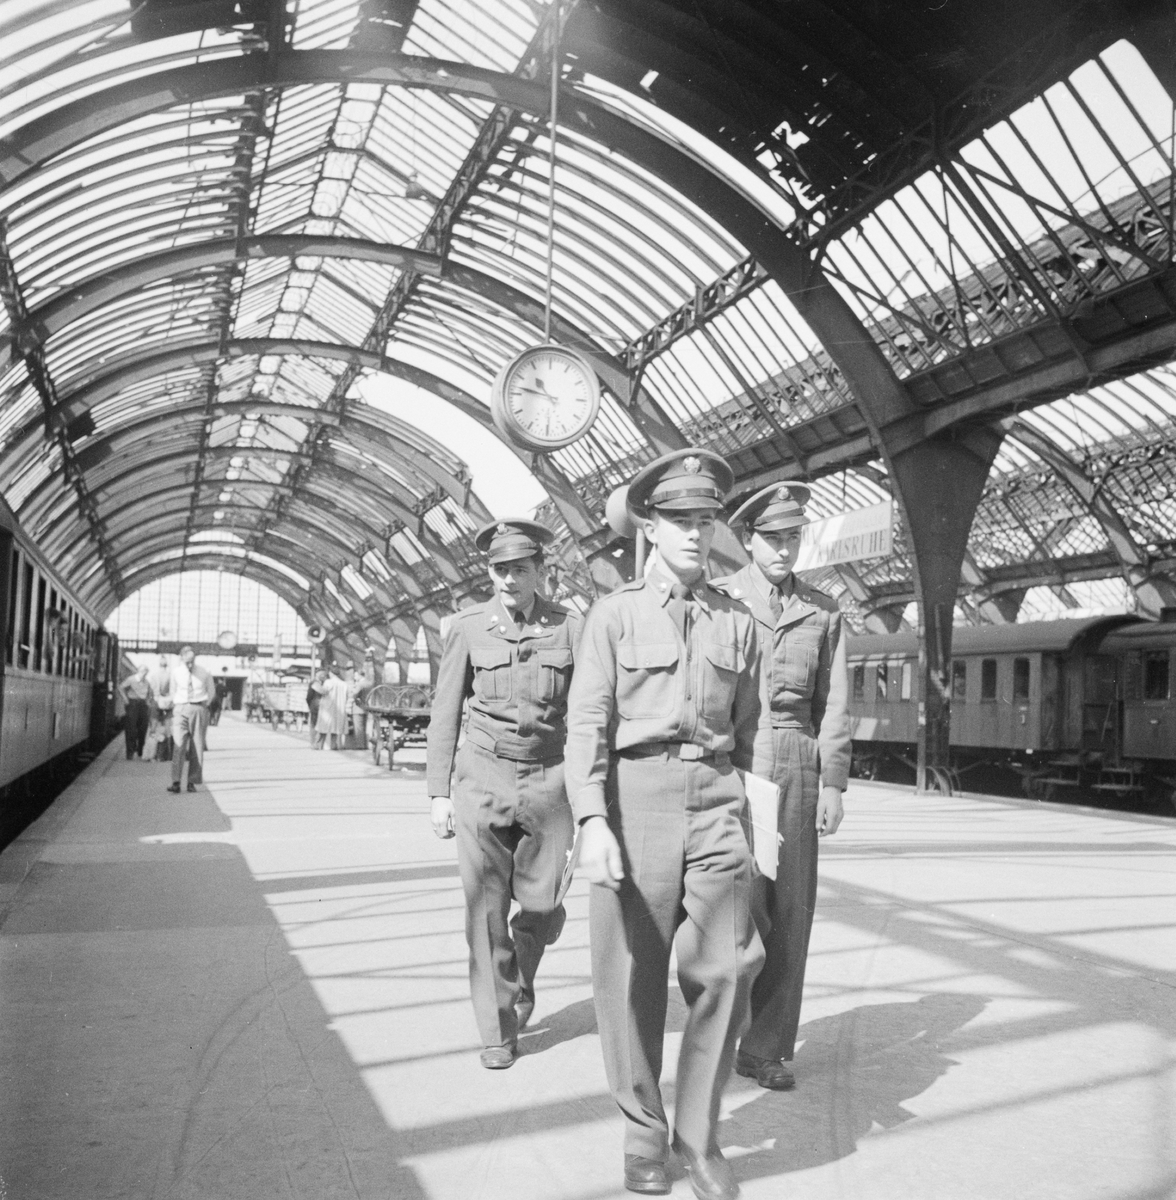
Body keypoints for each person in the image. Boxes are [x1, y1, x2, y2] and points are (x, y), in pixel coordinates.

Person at [565, 449, 762, 1200]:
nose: (692, 532)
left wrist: (757, 821)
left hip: (717, 797)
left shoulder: (737, 621)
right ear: (650, 527)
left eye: (703, 520)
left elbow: (752, 732)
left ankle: (699, 1136)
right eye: (678, 519)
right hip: (632, 796)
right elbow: (586, 721)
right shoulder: (613, 617)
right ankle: (644, 1136)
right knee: (630, 979)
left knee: (732, 964)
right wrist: (591, 818)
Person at [426, 518, 581, 1071]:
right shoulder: (468, 627)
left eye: (520, 569)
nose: (509, 580)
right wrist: (438, 793)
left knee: (544, 905)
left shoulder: (571, 627)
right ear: (488, 572)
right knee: (484, 913)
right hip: (481, 780)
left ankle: (517, 971)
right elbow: (445, 711)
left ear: (540, 570)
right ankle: (497, 1031)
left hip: (551, 780)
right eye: (499, 570)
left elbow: (587, 712)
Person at [712, 482, 851, 1092]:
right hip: (734, 760)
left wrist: (834, 784)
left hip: (796, 761)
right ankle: (716, 1035)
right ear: (748, 541)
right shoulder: (720, 602)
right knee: (732, 907)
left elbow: (836, 705)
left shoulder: (823, 612)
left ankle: (764, 1048)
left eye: (793, 537)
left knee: (791, 909)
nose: (784, 549)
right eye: (772, 538)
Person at [166, 645, 214, 794]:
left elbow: (211, 692)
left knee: (197, 746)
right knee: (178, 745)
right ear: (181, 658)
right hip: (181, 708)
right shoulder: (176, 673)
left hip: (198, 708)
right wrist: (176, 704)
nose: (190, 664)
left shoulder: (204, 672)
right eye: (187, 661)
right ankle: (176, 781)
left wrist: (204, 705)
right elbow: (173, 691)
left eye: (192, 661)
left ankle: (192, 782)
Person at [311, 665, 350, 749]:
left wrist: (315, 685)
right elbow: (347, 696)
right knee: (335, 730)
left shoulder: (329, 682)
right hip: (339, 709)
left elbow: (323, 691)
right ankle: (334, 746)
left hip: (327, 708)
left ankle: (318, 745)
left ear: (331, 673)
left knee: (322, 729)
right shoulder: (344, 684)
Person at [118, 665, 152, 759]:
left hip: (143, 704)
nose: (144, 674)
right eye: (142, 672)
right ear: (138, 671)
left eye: (145, 673)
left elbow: (149, 694)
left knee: (143, 728)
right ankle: (130, 751)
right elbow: (120, 687)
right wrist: (125, 698)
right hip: (132, 704)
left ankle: (140, 749)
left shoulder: (147, 682)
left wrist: (148, 702)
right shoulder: (131, 679)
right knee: (131, 728)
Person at [306, 668, 325, 736]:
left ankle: (317, 743)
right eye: (321, 674)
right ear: (317, 674)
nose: (323, 676)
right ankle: (313, 742)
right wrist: (311, 706)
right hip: (315, 707)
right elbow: (309, 697)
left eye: (324, 674)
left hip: (322, 707)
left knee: (319, 725)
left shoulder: (323, 683)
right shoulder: (313, 683)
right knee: (314, 724)